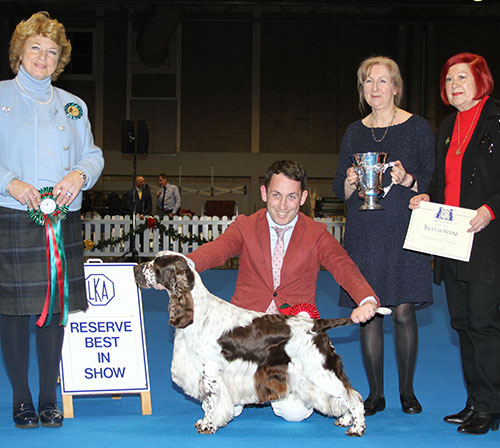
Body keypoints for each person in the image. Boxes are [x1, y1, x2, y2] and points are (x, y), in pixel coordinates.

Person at [187, 159, 380, 422]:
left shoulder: (317, 234)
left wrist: (366, 298)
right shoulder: (245, 225)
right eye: (276, 195)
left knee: (294, 413)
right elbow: (218, 249)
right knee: (225, 407)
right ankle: (244, 388)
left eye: (291, 197)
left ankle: (268, 388)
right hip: (245, 337)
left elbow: (342, 265)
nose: (282, 205)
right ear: (264, 193)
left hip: (289, 343)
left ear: (302, 198)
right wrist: (187, 263)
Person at [0, 12, 104, 429]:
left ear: (59, 59)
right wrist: (11, 183)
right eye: (36, 48)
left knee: (54, 311)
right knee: (13, 311)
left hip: (61, 220)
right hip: (13, 215)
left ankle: (48, 397)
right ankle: (21, 399)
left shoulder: (73, 106)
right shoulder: (1, 97)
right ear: (20, 53)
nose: (43, 57)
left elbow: (93, 154)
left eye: (52, 51)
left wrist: (79, 175)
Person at [332, 55, 435, 416]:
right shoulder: (353, 131)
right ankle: (376, 394)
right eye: (367, 82)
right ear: (362, 89)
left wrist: (408, 180)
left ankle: (407, 392)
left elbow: (432, 179)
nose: (375, 88)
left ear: (395, 87)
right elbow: (338, 187)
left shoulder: (418, 127)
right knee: (369, 310)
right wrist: (347, 181)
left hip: (405, 230)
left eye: (382, 81)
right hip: (365, 232)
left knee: (405, 310)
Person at [410, 52, 500, 435]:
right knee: (462, 324)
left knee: (483, 323)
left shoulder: (497, 118)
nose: (454, 85)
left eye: (461, 77)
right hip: (452, 241)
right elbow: (440, 182)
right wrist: (427, 198)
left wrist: (490, 209)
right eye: (448, 80)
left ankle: (491, 406)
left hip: (487, 240)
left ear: (481, 79)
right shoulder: (446, 125)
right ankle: (475, 401)